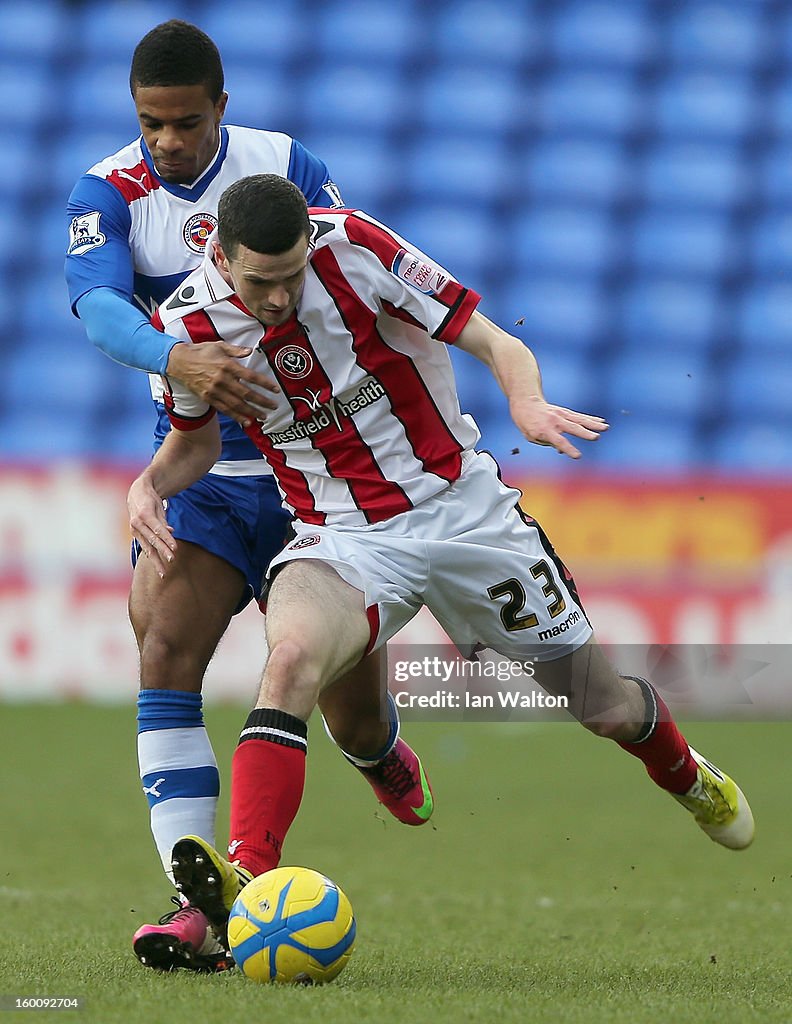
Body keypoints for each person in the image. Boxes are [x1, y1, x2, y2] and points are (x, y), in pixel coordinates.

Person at [128, 174, 755, 945]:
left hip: (464, 512)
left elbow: (497, 340)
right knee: (288, 660)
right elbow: (194, 444)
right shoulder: (185, 323)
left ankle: (685, 772)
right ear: (219, 256)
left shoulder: (355, 245)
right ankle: (246, 877)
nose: (282, 298)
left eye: (293, 276)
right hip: (343, 534)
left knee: (603, 707)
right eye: (263, 282)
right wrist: (149, 485)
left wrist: (523, 400)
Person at [64, 21, 431, 975]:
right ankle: (201, 905)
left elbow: (346, 276)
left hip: (317, 474)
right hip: (204, 471)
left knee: (348, 714)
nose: (168, 142)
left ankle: (379, 749)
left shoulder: (284, 168)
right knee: (165, 649)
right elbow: (99, 307)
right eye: (152, 124)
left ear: (221, 108)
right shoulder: (108, 193)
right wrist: (173, 353)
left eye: (186, 123)